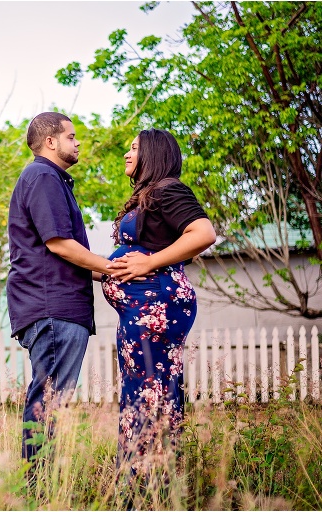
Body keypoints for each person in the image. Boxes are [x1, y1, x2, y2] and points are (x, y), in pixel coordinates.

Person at [102, 128, 216, 478]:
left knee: (151, 391)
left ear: (152, 154)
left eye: (134, 148)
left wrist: (149, 263)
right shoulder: (148, 195)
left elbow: (204, 234)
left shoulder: (169, 189)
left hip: (158, 308)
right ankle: (149, 480)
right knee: (146, 389)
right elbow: (133, 257)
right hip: (139, 310)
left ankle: (145, 482)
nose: (127, 153)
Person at [6, 112, 116, 471]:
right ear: (50, 142)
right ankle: (39, 490)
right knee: (49, 399)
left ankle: (45, 483)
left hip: (57, 305)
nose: (78, 141)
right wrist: (111, 267)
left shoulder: (48, 179)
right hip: (52, 305)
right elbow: (59, 244)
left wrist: (109, 276)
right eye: (71, 136)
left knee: (54, 398)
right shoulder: (42, 176)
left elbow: (62, 250)